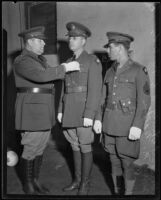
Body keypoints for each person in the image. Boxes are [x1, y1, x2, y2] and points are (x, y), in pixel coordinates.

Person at [13, 26, 80, 195]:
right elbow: (42, 77)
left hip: (42, 110)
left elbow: (48, 77)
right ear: (29, 41)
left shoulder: (39, 60)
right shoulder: (22, 60)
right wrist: (65, 67)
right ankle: (28, 185)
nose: (44, 43)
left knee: (40, 148)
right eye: (40, 40)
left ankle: (35, 180)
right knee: (30, 148)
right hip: (32, 111)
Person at [93, 32, 151, 195]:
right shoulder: (109, 72)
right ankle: (117, 193)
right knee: (113, 161)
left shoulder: (139, 70)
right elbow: (102, 98)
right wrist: (98, 119)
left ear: (119, 48)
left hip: (127, 126)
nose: (108, 51)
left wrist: (137, 126)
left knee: (127, 163)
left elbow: (145, 101)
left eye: (110, 48)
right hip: (109, 124)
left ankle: (128, 194)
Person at [57, 22, 102, 195]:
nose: (71, 41)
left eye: (75, 38)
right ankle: (76, 180)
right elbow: (64, 88)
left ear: (83, 41)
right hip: (69, 111)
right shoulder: (68, 62)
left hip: (84, 112)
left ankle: (85, 183)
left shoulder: (92, 61)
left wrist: (90, 114)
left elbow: (95, 90)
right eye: (70, 38)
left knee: (85, 146)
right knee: (74, 146)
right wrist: (61, 109)